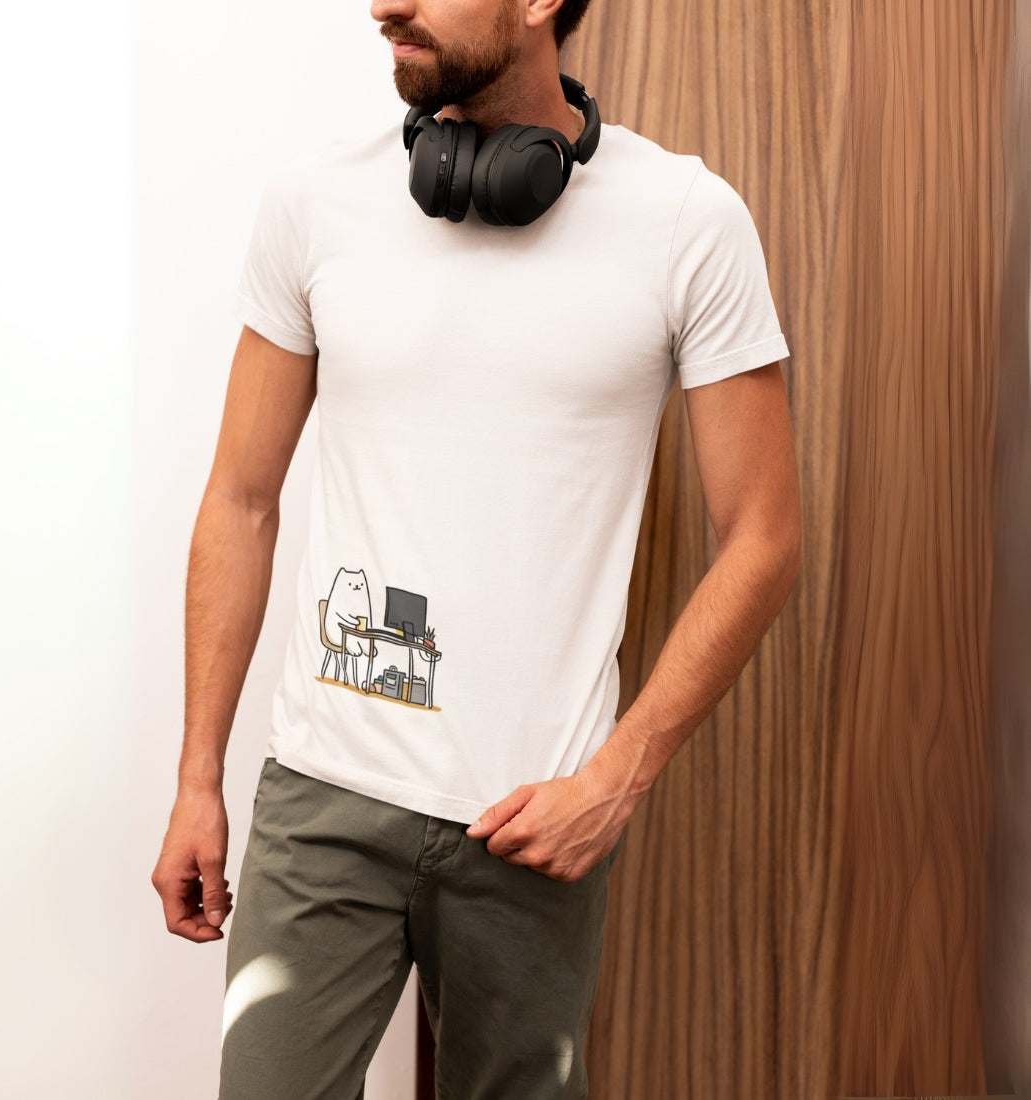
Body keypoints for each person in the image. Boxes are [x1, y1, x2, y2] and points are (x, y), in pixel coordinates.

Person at [151, 0, 801, 1095]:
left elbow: (765, 537)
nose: (383, 6)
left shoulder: (687, 221)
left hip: (532, 823)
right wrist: (196, 777)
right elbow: (242, 499)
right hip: (321, 797)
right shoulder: (313, 202)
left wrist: (616, 779)